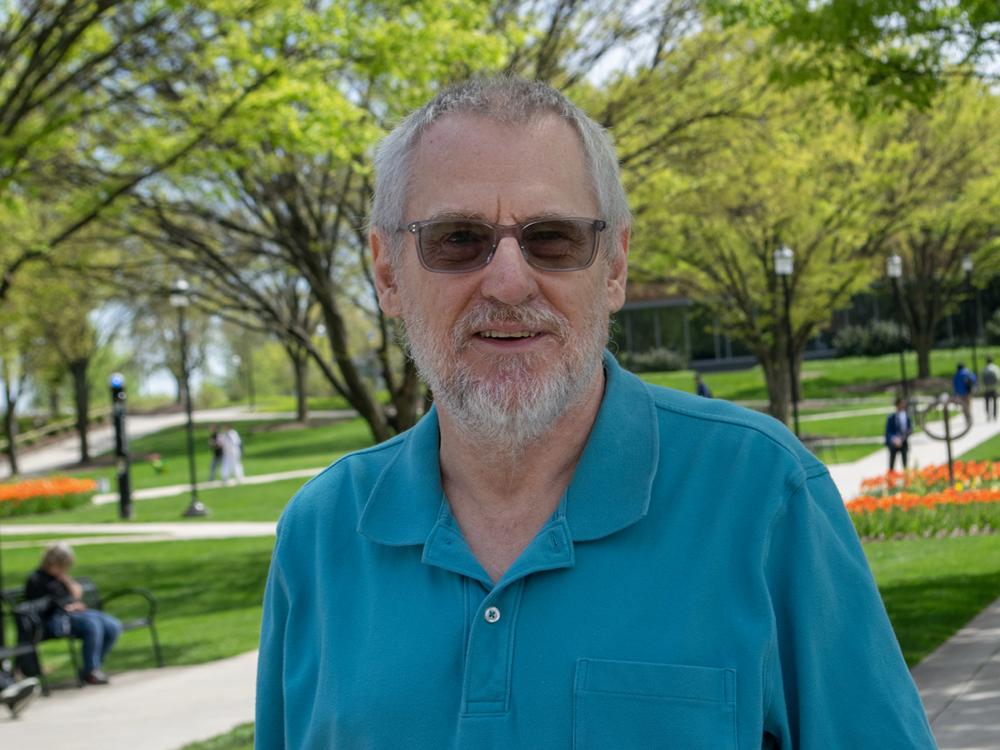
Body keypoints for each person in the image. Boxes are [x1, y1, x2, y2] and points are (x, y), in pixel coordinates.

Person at [256, 77, 934, 748]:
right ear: (386, 273)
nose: (509, 281)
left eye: (553, 238)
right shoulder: (319, 536)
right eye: (457, 239)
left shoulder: (764, 495)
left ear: (614, 265)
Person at [24, 543, 122, 685]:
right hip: (55, 620)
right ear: (52, 562)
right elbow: (39, 606)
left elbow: (76, 593)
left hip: (74, 614)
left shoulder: (60, 578)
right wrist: (64, 606)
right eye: (62, 566)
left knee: (113, 625)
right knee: (92, 625)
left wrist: (67, 584)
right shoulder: (36, 579)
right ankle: (91, 671)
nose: (65, 569)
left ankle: (93, 666)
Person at [884, 397, 912, 471]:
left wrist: (902, 438)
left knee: (905, 464)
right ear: (897, 405)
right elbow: (888, 431)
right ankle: (891, 479)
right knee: (892, 464)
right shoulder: (891, 417)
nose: (903, 406)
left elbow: (910, 429)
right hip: (894, 444)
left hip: (903, 442)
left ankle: (906, 479)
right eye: (901, 404)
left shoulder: (907, 416)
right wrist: (894, 439)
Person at [983, 355, 999, 422]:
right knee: (995, 402)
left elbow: (982, 379)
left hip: (987, 388)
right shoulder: (996, 368)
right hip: (994, 388)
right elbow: (998, 378)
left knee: (987, 402)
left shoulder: (985, 369)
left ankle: (988, 415)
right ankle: (995, 416)